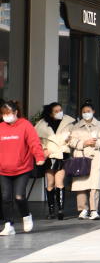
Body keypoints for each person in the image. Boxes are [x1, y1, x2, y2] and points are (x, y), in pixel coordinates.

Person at [0, 100, 45, 235]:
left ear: (16, 113)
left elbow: (34, 142)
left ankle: (26, 216)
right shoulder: (1, 127)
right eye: (3, 114)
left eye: (8, 113)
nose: (6, 116)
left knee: (19, 196)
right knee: (6, 197)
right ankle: (9, 225)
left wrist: (39, 157)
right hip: (3, 169)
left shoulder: (25, 125)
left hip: (22, 168)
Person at [68, 102, 100, 220]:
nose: (86, 114)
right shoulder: (76, 126)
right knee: (81, 183)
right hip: (80, 156)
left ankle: (94, 210)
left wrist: (96, 143)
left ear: (93, 112)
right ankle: (83, 209)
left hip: (95, 156)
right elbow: (71, 141)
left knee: (94, 184)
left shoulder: (99, 125)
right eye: (84, 112)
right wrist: (83, 143)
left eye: (88, 111)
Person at [35, 102, 73, 220]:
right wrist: (44, 150)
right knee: (50, 183)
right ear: (50, 113)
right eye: (56, 111)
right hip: (49, 156)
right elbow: (36, 141)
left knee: (59, 182)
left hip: (62, 155)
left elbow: (73, 138)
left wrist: (69, 141)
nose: (59, 112)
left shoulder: (68, 122)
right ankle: (51, 210)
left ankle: (60, 210)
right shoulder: (41, 125)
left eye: (60, 110)